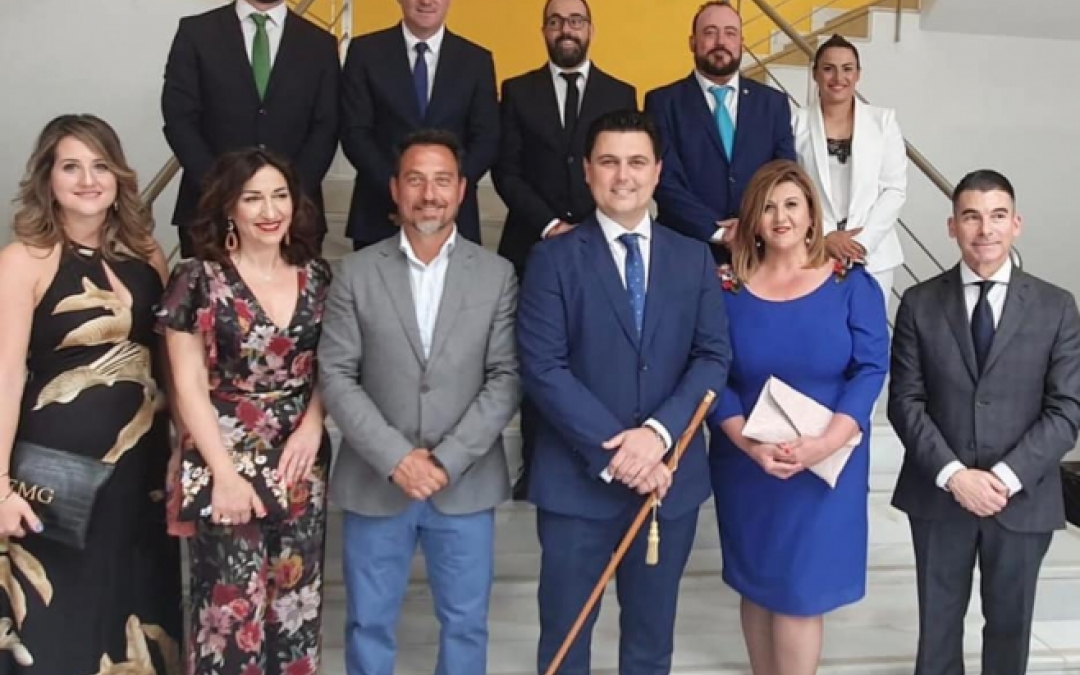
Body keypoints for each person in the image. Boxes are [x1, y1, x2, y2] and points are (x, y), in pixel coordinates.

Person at [517, 109, 731, 675]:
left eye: (637, 162)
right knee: (565, 643)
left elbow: (713, 357)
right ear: (588, 171)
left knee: (650, 645)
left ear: (658, 171)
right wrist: (619, 452)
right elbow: (543, 367)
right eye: (609, 162)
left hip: (667, 487)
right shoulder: (551, 259)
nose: (623, 176)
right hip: (576, 486)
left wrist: (658, 435)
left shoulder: (692, 257)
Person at [319, 129, 520, 675]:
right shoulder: (355, 273)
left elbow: (506, 377)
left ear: (461, 190)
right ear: (394, 189)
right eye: (415, 180)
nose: (429, 194)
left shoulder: (497, 274)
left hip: (465, 481)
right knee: (368, 623)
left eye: (442, 180)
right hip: (377, 479)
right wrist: (397, 458)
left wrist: (447, 459)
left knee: (465, 623)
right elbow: (336, 374)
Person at [0, 114, 182, 673]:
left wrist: (184, 448)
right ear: (47, 178)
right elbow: (5, 375)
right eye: (71, 167)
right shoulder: (23, 260)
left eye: (100, 166)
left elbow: (167, 365)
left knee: (136, 613)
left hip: (140, 473)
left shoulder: (147, 254)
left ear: (118, 176)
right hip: (55, 481)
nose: (87, 180)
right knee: (58, 625)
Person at [889, 170, 1080, 675]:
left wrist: (1004, 478)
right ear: (952, 226)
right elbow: (905, 402)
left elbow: (1066, 409)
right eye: (971, 216)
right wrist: (956, 476)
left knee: (1010, 631)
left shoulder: (1056, 306)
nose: (985, 229)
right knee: (938, 631)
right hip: (938, 495)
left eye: (997, 216)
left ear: (1016, 224)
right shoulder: (919, 303)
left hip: (1024, 498)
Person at [708, 159, 888, 675]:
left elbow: (871, 368)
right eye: (768, 207)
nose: (781, 217)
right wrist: (749, 445)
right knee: (757, 585)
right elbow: (710, 374)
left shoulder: (850, 283)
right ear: (752, 218)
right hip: (749, 462)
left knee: (798, 595)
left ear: (812, 214)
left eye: (792, 204)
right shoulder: (726, 289)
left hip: (825, 465)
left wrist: (826, 443)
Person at [158, 148, 333, 674]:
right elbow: (189, 384)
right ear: (229, 207)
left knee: (296, 604)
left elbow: (335, 363)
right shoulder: (197, 277)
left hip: (301, 459)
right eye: (252, 198)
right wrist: (223, 474)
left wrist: (314, 423)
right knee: (230, 609)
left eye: (280, 196)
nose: (269, 210)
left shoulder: (318, 275)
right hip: (225, 455)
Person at [492, 0, 636, 500]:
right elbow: (506, 171)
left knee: (596, 356)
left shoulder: (620, 92)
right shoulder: (517, 91)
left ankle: (601, 453)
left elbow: (622, 172)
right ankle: (535, 463)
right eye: (556, 22)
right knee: (541, 358)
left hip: (603, 242)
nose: (566, 29)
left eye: (575, 21)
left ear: (590, 29)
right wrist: (552, 224)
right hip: (534, 242)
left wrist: (592, 226)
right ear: (544, 31)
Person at [162, 0, 340, 256]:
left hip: (295, 217)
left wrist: (288, 194)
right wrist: (222, 189)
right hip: (209, 211)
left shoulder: (319, 42)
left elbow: (327, 126)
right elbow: (179, 119)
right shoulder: (197, 32)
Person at [644, 0, 795, 263]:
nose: (720, 41)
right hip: (684, 249)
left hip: (759, 249)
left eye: (730, 33)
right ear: (692, 42)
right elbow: (664, 180)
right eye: (710, 32)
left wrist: (752, 227)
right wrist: (719, 232)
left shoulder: (773, 103)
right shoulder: (662, 103)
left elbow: (784, 174)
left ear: (742, 42)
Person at [340, 0, 499, 249]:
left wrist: (445, 193)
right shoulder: (365, 52)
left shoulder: (476, 60)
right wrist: (400, 194)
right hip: (379, 213)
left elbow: (486, 138)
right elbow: (355, 132)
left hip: (453, 217)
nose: (426, 1)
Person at [792, 34, 907, 305]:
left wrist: (861, 242)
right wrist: (825, 236)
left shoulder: (883, 121)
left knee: (870, 327)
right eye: (828, 69)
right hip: (814, 250)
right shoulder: (795, 122)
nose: (838, 78)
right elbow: (792, 188)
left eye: (847, 69)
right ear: (815, 74)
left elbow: (894, 189)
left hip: (873, 254)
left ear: (858, 74)